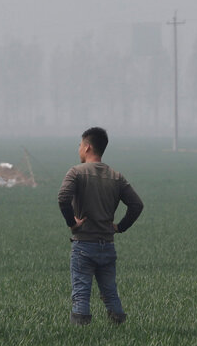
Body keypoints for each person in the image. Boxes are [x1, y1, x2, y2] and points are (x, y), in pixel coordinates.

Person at [57, 127, 144, 325]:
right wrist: (119, 227)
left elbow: (63, 198)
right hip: (107, 245)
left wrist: (72, 223)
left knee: (81, 295)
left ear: (87, 147)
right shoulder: (116, 176)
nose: (78, 149)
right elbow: (137, 205)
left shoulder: (76, 172)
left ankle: (81, 337)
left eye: (80, 145)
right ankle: (120, 332)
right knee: (111, 294)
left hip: (83, 245)